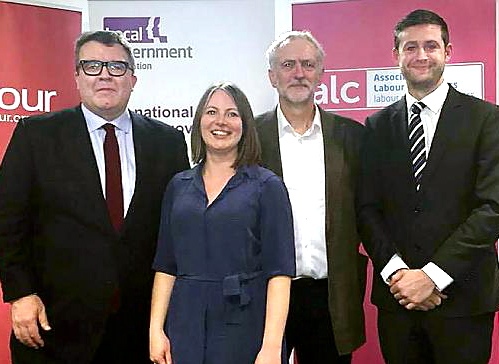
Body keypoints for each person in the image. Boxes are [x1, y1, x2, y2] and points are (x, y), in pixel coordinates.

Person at [0, 30, 189, 364]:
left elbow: (177, 231)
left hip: (139, 332)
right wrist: (20, 293)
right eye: (92, 65)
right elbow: (7, 219)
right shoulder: (36, 135)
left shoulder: (168, 142)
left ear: (133, 79)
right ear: (76, 76)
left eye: (116, 66)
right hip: (54, 327)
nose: (105, 74)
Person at [357, 9, 499, 364]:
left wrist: (433, 277)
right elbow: (367, 208)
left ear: (448, 52)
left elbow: (492, 207)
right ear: (396, 56)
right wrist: (398, 274)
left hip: (464, 301)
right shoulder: (377, 126)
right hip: (398, 301)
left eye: (431, 46)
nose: (421, 55)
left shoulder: (486, 119)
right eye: (411, 47)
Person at [149, 82, 295, 364]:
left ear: (245, 125)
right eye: (211, 112)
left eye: (231, 114)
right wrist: (156, 329)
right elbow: (166, 265)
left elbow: (279, 273)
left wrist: (271, 347)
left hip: (245, 322)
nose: (221, 122)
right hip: (185, 323)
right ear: (199, 121)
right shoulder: (178, 186)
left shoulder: (268, 186)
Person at [255, 31, 366, 364]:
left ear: (321, 73)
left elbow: (371, 212)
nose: (298, 73)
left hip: (331, 295)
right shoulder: (249, 137)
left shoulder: (353, 137)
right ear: (272, 76)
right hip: (265, 293)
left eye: (308, 64)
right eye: (288, 64)